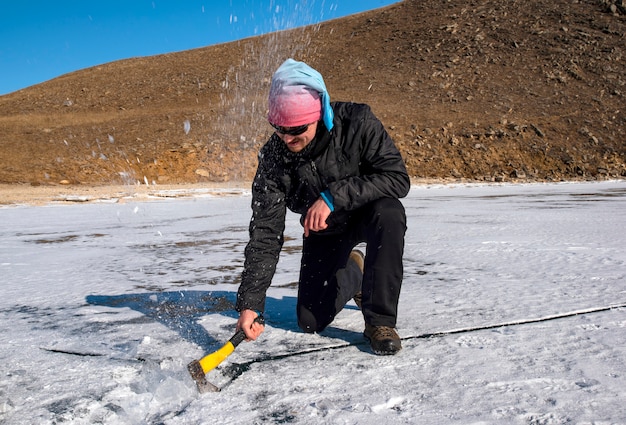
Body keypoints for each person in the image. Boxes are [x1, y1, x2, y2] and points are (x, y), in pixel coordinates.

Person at [235, 58, 410, 355]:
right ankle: (354, 270)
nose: (287, 138)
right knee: (310, 320)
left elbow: (397, 178)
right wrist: (251, 303)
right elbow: (265, 230)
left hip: (369, 212)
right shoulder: (274, 158)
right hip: (324, 231)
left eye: (296, 129)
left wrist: (333, 197)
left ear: (318, 114)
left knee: (390, 213)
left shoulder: (358, 123)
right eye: (279, 129)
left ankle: (379, 320)